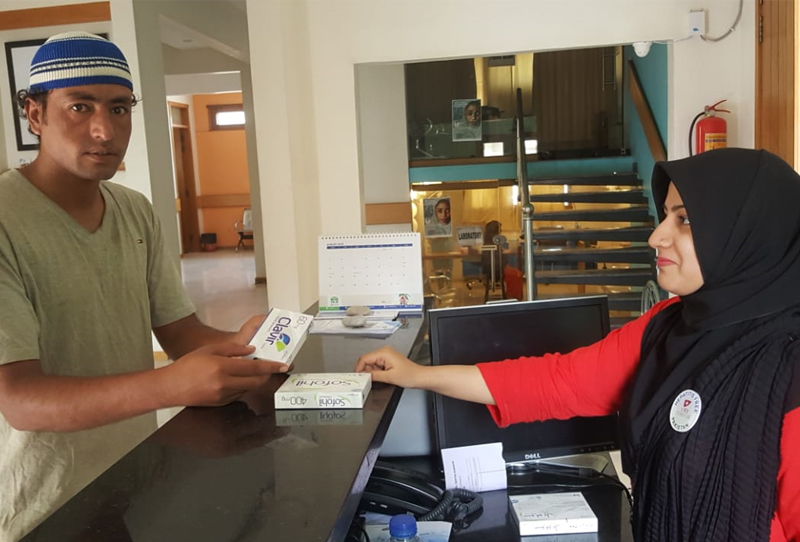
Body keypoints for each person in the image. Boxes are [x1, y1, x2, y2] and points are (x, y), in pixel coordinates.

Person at [357, 148, 800, 541]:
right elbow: (556, 381)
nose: (657, 236)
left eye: (683, 220)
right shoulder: (668, 325)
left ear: (746, 235)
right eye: (665, 215)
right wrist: (416, 374)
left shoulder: (788, 366)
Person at [0, 31, 287, 533]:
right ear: (35, 114)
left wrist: (245, 347)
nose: (104, 131)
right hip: (42, 503)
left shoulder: (133, 210)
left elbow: (180, 332)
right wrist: (169, 385)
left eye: (119, 109)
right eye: (80, 107)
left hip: (129, 476)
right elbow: (20, 400)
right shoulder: (8, 219)